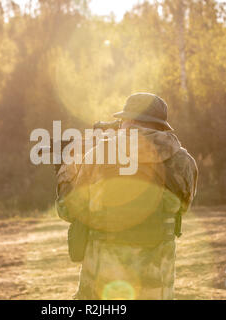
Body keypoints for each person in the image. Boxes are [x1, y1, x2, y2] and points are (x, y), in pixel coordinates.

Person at [56, 93, 198, 299]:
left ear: (129, 121)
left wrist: (69, 164)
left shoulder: (98, 154)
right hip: (156, 282)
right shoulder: (183, 160)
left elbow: (68, 209)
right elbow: (182, 207)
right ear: (161, 126)